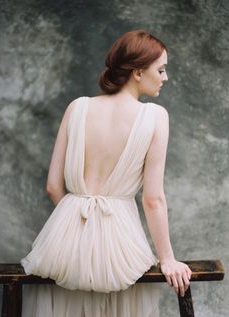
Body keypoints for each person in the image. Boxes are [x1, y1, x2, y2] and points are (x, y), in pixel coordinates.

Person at [21, 29, 192, 317]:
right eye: (160, 70)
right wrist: (168, 259)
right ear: (138, 72)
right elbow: (153, 199)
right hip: (120, 241)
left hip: (64, 241)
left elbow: (53, 186)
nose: (165, 77)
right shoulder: (155, 117)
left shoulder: (77, 107)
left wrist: (75, 222)